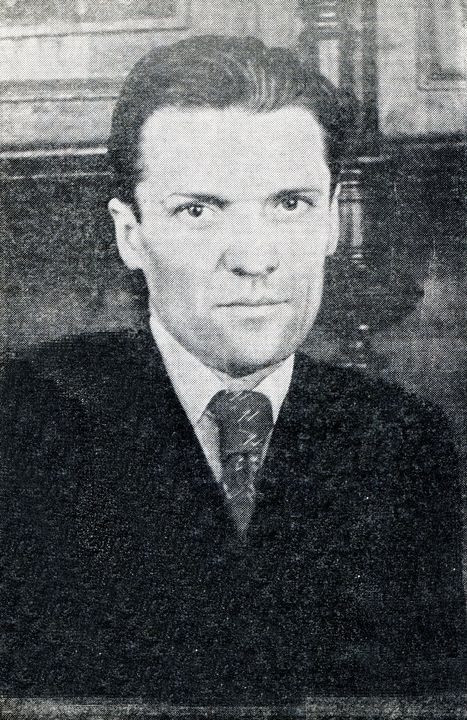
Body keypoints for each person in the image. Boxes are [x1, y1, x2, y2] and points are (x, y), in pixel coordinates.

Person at [0, 35, 465, 703]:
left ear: (332, 222)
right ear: (131, 234)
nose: (253, 259)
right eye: (198, 211)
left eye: (290, 204)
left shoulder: (404, 440)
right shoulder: (24, 422)